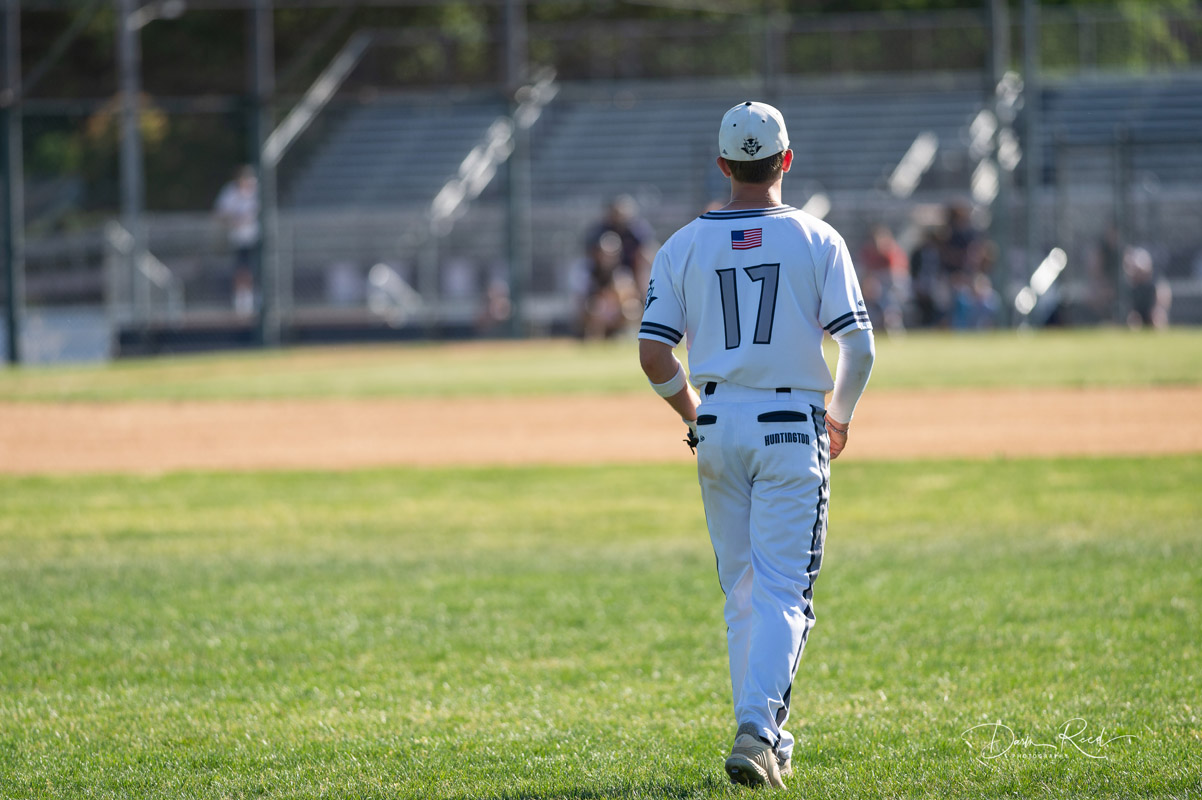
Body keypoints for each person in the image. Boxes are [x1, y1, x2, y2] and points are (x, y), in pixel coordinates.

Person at [637, 101, 875, 790]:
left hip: (718, 424)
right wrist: (841, 417)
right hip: (789, 425)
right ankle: (759, 730)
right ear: (787, 160)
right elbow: (857, 348)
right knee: (782, 592)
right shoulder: (817, 238)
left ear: (722, 165)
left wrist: (693, 412)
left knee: (743, 593)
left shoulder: (682, 244)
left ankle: (768, 733)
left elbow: (654, 353)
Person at [214, 165, 260, 316]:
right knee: (241, 269)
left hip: (255, 237)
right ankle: (242, 300)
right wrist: (235, 220)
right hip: (238, 238)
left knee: (255, 268)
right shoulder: (230, 192)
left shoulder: (257, 190)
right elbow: (221, 214)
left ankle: (255, 297)